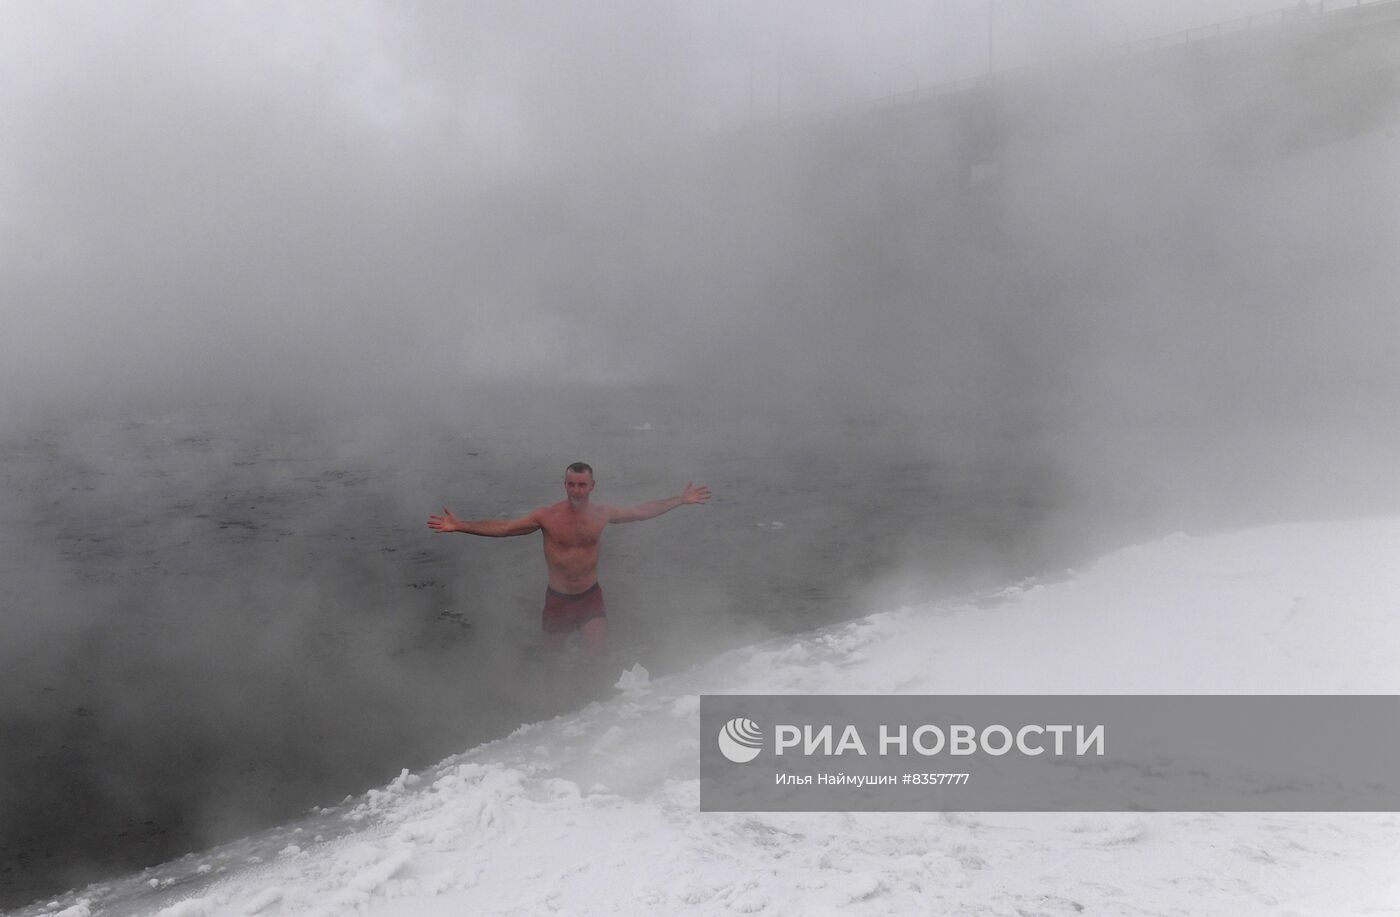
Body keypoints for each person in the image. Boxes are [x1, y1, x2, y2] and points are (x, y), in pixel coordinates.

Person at [427, 462, 711, 653]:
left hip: (590, 596)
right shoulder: (547, 516)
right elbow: (505, 528)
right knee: (552, 657)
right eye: (571, 484)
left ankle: (596, 712)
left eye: (582, 485)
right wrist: (461, 525)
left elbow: (640, 511)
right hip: (558, 599)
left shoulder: (602, 514)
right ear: (564, 485)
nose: (576, 490)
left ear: (592, 486)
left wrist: (679, 499)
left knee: (597, 654)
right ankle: (552, 716)